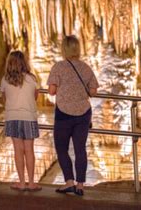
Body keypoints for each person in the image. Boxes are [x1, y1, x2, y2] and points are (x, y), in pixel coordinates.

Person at [47, 35, 99, 196]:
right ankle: (81, 185)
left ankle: (69, 182)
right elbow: (93, 91)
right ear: (78, 49)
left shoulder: (58, 67)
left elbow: (51, 91)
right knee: (80, 149)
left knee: (62, 148)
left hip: (63, 114)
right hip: (83, 114)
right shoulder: (85, 68)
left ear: (64, 49)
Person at [1, 51, 42, 192]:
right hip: (29, 117)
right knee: (29, 150)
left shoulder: (5, 80)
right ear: (24, 62)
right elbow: (35, 96)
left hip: (12, 117)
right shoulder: (31, 79)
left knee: (18, 150)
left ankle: (22, 182)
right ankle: (31, 183)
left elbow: (4, 98)